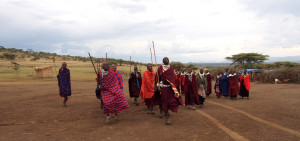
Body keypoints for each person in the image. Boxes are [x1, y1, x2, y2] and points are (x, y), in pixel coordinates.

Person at [153, 57, 183, 125]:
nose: (167, 61)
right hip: (163, 88)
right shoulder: (160, 68)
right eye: (165, 60)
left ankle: (167, 113)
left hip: (170, 88)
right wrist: (158, 86)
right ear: (163, 61)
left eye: (167, 60)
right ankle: (166, 116)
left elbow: (172, 78)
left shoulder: (171, 68)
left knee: (171, 101)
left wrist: (173, 87)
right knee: (163, 101)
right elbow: (157, 78)